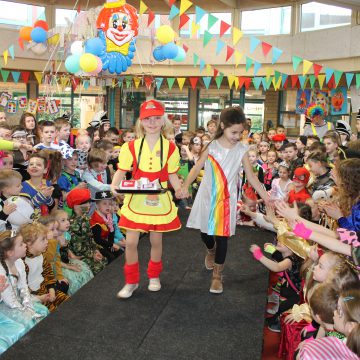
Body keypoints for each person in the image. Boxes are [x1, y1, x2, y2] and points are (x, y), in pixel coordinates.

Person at [183, 106, 269, 294]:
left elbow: (252, 177)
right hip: (206, 196)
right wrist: (184, 186)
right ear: (223, 126)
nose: (237, 136)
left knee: (223, 237)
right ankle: (210, 250)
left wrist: (266, 197)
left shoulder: (242, 149)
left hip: (227, 200)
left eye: (240, 132)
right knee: (205, 233)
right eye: (233, 132)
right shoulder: (211, 146)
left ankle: (217, 276)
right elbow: (196, 168)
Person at [111, 99, 182, 299]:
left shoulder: (170, 148)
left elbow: (172, 175)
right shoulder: (130, 146)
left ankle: (154, 276)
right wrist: (114, 186)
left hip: (159, 199)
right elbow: (122, 170)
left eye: (156, 118)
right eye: (148, 119)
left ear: (163, 121)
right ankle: (131, 281)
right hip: (137, 199)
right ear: (141, 121)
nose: (152, 122)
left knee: (156, 240)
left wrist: (179, 190)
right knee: (131, 242)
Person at [0, 230, 49, 331]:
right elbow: (10, 301)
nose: (25, 245)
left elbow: (23, 288)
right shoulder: (1, 271)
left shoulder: (19, 263)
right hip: (7, 306)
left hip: (19, 301)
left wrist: (29, 308)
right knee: (26, 324)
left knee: (43, 311)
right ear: (10, 253)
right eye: (21, 244)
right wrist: (27, 314)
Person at [298, 288, 360, 359]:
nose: (334, 312)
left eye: (338, 311)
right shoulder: (346, 343)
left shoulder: (346, 350)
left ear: (350, 326)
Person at [21, 223, 69, 312]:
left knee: (68, 301)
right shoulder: (23, 262)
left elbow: (48, 274)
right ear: (29, 243)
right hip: (34, 295)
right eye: (43, 239)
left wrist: (52, 290)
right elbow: (23, 289)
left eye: (46, 238)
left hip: (46, 288)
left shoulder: (41, 255)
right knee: (51, 311)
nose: (47, 242)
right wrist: (39, 298)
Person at [52, 209, 94, 296]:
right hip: (58, 265)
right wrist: (69, 266)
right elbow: (54, 259)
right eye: (63, 220)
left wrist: (73, 256)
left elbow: (67, 249)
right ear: (55, 224)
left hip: (66, 260)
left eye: (67, 219)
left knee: (83, 271)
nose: (67, 222)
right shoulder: (53, 240)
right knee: (74, 279)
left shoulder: (66, 234)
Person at [66, 188, 107, 275]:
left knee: (105, 261)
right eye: (85, 203)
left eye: (89, 202)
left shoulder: (85, 218)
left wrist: (96, 250)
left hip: (89, 252)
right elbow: (78, 248)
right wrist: (92, 254)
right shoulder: (73, 225)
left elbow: (90, 239)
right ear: (76, 205)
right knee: (98, 268)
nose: (89, 205)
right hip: (80, 256)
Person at [90, 191, 122, 263]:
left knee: (120, 253)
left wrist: (111, 246)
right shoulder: (96, 220)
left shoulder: (108, 216)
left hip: (106, 243)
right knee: (112, 259)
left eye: (110, 204)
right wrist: (111, 245)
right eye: (104, 204)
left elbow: (111, 233)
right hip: (97, 246)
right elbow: (97, 240)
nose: (108, 206)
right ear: (97, 205)